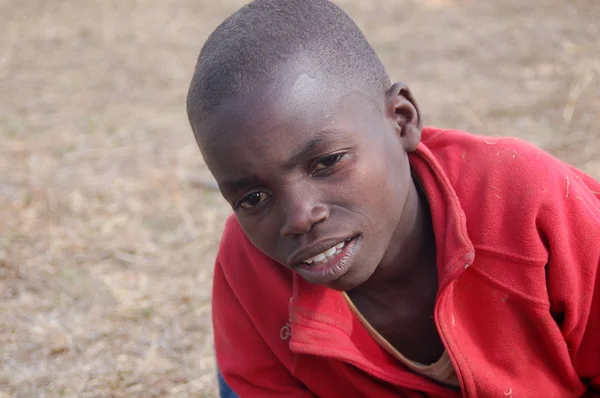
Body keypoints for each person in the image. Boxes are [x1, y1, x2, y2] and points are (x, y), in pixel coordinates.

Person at [186, 0, 600, 396]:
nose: (298, 217)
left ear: (402, 120)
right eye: (254, 197)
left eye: (326, 162)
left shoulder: (527, 203)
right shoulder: (250, 271)